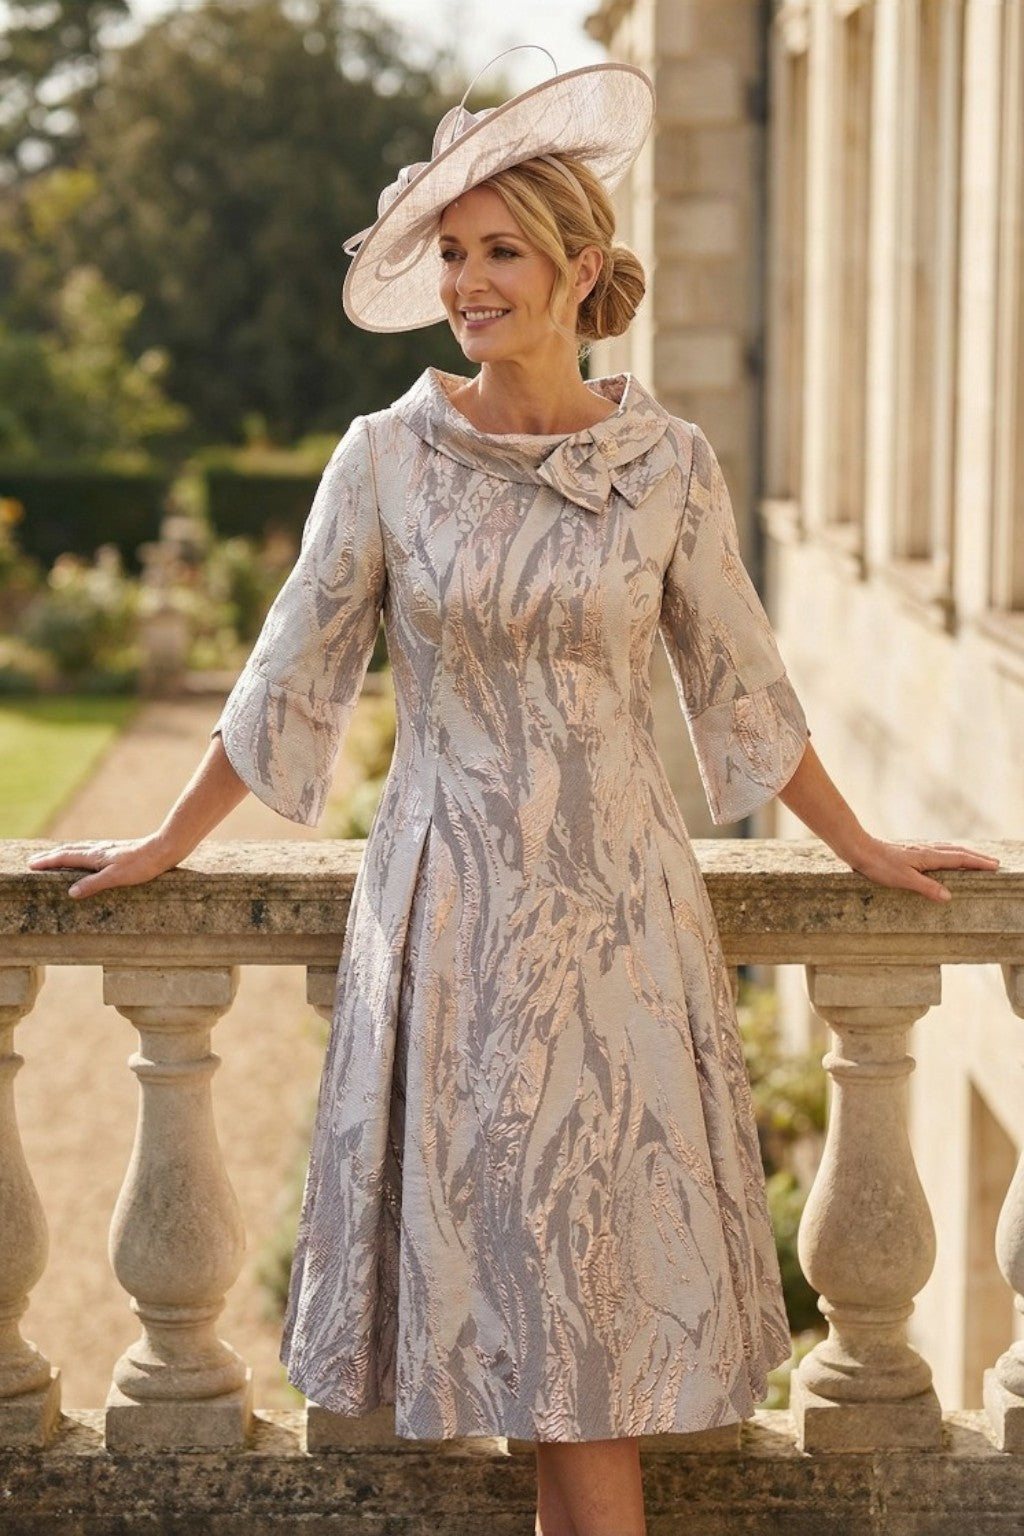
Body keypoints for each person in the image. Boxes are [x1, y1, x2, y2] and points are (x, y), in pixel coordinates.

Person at [30, 53, 997, 1536]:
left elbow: (740, 681)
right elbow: (290, 675)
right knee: (533, 1352)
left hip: (623, 933)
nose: (470, 283)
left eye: (501, 252)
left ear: (579, 268)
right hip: (453, 929)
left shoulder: (670, 463)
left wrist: (861, 843)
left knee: (591, 1347)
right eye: (454, 254)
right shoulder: (386, 460)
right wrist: (163, 841)